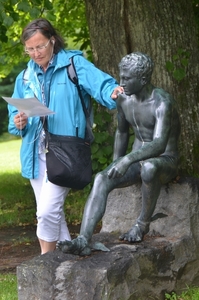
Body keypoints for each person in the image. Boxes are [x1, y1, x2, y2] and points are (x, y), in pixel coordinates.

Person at [7, 18, 123, 255]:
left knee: (47, 212)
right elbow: (15, 114)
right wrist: (18, 121)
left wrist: (112, 91)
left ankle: (46, 264)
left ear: (52, 41)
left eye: (40, 46)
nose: (35, 53)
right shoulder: (25, 76)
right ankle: (67, 264)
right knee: (51, 212)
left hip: (66, 150)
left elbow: (100, 84)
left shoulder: (73, 64)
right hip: (35, 152)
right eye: (30, 48)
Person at [57, 52, 181, 256]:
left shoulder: (162, 102)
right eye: (121, 76)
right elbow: (122, 132)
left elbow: (159, 144)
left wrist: (127, 160)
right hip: (137, 159)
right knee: (101, 178)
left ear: (143, 79)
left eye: (127, 78)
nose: (121, 82)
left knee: (149, 168)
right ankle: (83, 239)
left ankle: (142, 225)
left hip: (164, 160)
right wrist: (116, 163)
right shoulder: (123, 98)